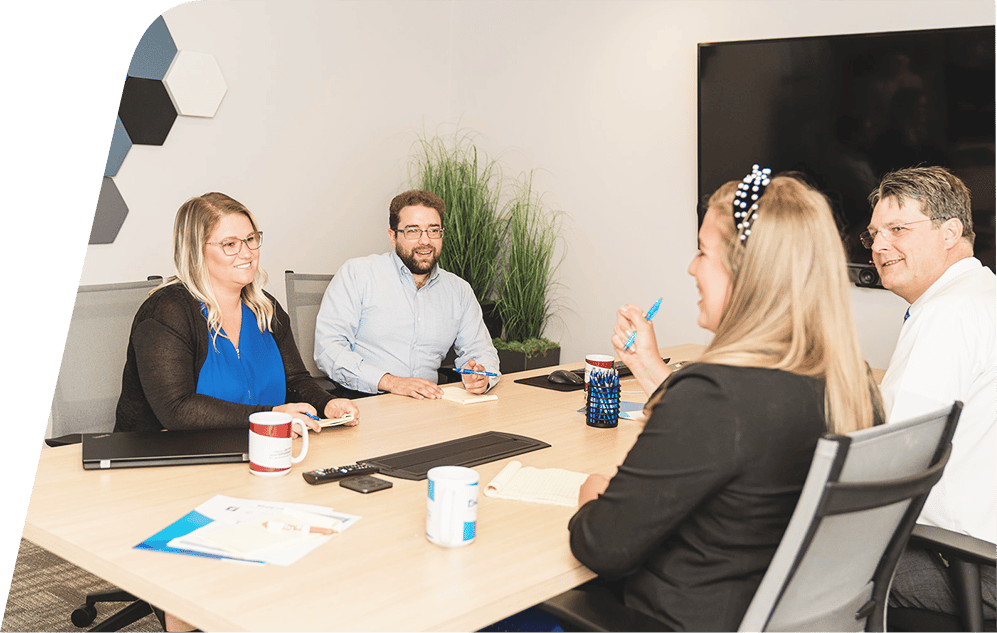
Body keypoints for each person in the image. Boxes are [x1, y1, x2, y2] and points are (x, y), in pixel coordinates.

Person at [566, 167, 884, 631]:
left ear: (745, 271)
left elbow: (601, 546)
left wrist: (591, 496)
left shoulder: (716, 396)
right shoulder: (851, 383)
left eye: (701, 252)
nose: (691, 268)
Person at [114, 193, 360, 632]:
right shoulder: (168, 310)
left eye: (251, 239)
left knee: (327, 534)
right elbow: (177, 410)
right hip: (170, 467)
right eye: (230, 244)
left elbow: (296, 378)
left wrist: (327, 402)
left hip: (254, 460)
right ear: (196, 250)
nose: (247, 253)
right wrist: (272, 414)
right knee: (202, 593)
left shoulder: (264, 307)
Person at [865, 166, 996, 620]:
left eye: (898, 229)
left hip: (967, 564)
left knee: (779, 558)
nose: (880, 246)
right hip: (977, 552)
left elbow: (894, 461)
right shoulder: (982, 295)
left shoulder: (947, 316)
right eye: (874, 235)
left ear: (950, 232)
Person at [314, 189, 500, 399]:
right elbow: (328, 350)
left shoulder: (458, 290)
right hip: (365, 403)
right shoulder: (358, 275)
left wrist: (480, 376)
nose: (425, 241)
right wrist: (391, 382)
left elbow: (480, 349)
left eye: (433, 230)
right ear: (393, 237)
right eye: (413, 231)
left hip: (430, 406)